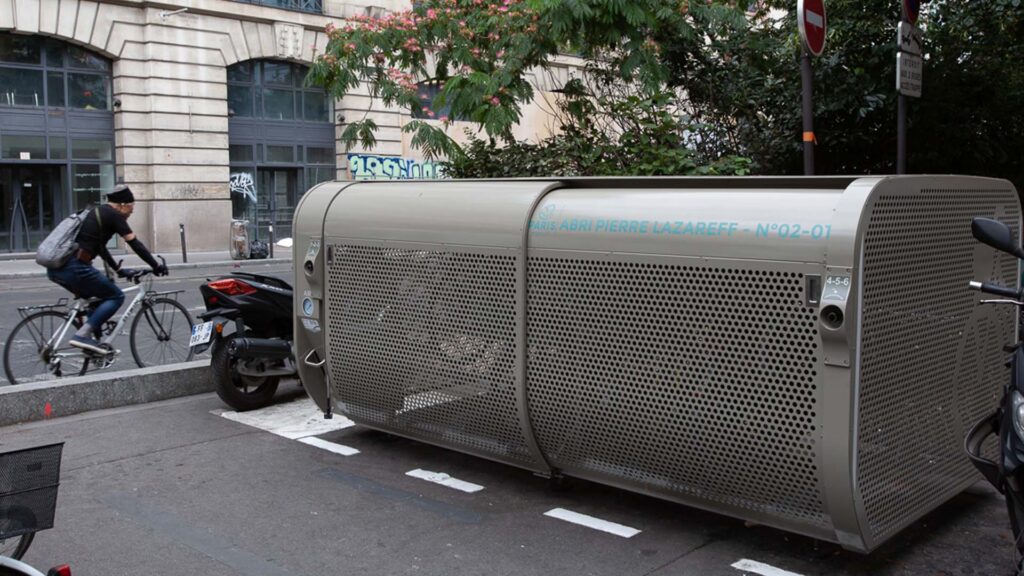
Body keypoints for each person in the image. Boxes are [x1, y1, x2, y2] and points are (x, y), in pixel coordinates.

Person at [46, 184, 168, 354]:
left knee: (95, 300)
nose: (131, 213)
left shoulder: (97, 213)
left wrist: (118, 271)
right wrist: (156, 266)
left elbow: (100, 248)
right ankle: (82, 335)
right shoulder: (113, 215)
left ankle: (90, 343)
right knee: (116, 296)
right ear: (123, 205)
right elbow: (135, 243)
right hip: (75, 267)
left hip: (58, 268)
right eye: (131, 208)